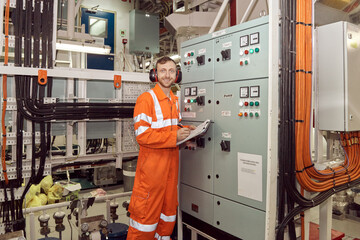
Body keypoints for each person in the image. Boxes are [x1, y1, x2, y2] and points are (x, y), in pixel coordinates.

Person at [127, 56, 196, 240]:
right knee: (144, 223)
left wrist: (187, 132)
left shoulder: (174, 100)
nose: (167, 75)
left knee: (167, 220)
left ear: (177, 75)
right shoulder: (146, 99)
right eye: (163, 71)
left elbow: (170, 128)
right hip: (152, 174)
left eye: (171, 71)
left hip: (170, 171)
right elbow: (142, 135)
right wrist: (174, 136)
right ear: (155, 74)